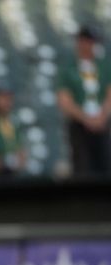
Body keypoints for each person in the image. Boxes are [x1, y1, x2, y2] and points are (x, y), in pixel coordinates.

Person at [57, 25, 111, 179]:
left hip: (103, 123)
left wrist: (102, 117)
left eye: (91, 42)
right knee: (82, 168)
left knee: (105, 165)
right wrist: (86, 119)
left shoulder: (104, 66)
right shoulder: (68, 68)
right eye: (85, 41)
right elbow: (64, 100)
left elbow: (109, 94)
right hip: (79, 125)